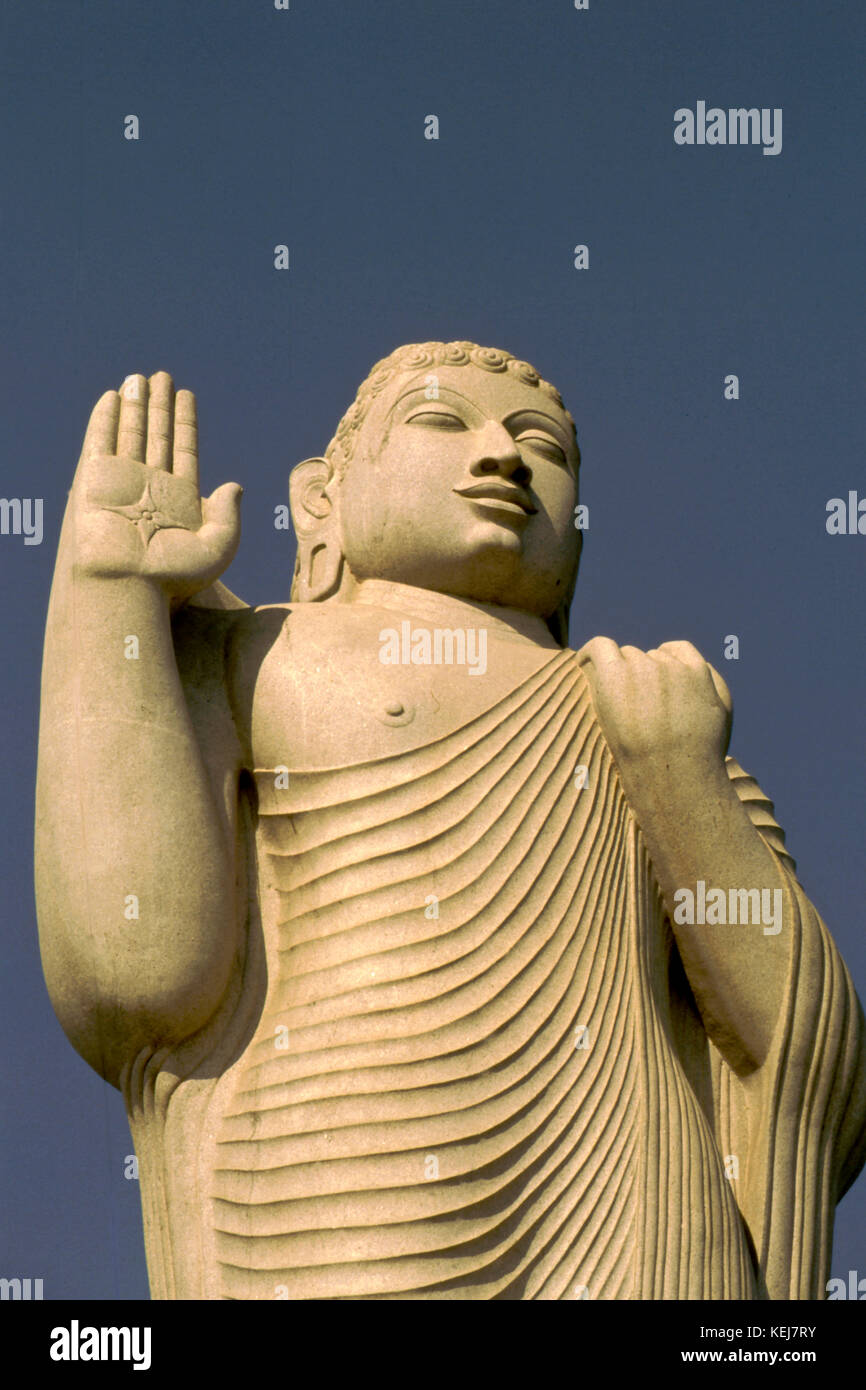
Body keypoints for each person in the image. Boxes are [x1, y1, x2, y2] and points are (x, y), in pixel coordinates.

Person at [35, 342, 866, 1299]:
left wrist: (682, 782)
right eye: (441, 421)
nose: (505, 458)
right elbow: (138, 972)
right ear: (322, 499)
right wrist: (112, 606)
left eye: (542, 446)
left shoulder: (649, 714)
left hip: (637, 1226)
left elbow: (808, 1044)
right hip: (338, 1187)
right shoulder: (258, 656)